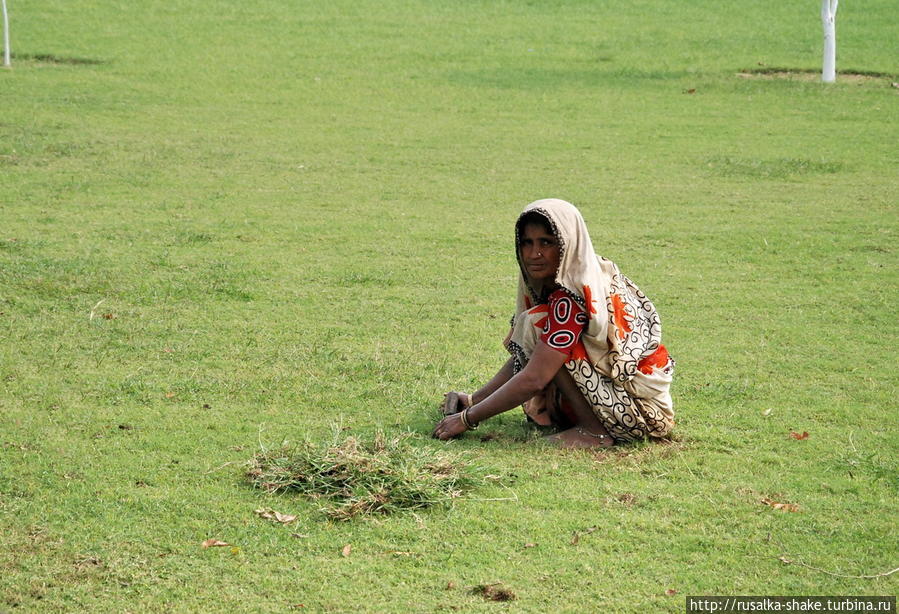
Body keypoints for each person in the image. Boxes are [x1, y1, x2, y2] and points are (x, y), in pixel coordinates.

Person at [433, 198, 675, 448]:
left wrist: (466, 419)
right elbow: (537, 354)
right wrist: (475, 399)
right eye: (527, 243)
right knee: (542, 332)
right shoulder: (588, 270)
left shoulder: (570, 296)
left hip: (636, 414)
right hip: (631, 403)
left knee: (539, 326)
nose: (533, 254)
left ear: (566, 243)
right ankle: (589, 424)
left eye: (546, 243)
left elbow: (535, 377)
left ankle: (594, 432)